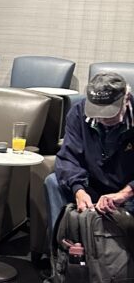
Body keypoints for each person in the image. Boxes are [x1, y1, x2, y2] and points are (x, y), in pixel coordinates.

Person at [45, 71, 134, 236]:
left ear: (126, 99)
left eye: (109, 113)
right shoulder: (78, 112)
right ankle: (63, 247)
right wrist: (78, 190)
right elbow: (68, 157)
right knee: (53, 182)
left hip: (128, 189)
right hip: (91, 183)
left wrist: (125, 193)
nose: (102, 119)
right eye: (97, 112)